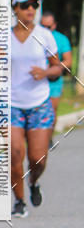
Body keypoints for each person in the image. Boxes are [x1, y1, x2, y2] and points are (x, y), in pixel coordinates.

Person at [9, 0, 62, 217]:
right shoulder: (2, 35)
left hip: (39, 102)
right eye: (25, 4)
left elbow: (59, 67)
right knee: (14, 153)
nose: (31, 9)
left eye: (34, 5)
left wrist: (46, 71)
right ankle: (19, 201)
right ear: (15, 9)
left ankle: (33, 181)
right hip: (10, 104)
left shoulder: (45, 35)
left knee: (37, 159)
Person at [40, 10, 72, 140]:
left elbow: (68, 61)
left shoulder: (61, 39)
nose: (46, 29)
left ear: (54, 25)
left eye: (49, 27)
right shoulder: (35, 37)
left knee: (52, 112)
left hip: (54, 80)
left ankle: (48, 138)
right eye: (43, 26)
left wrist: (55, 69)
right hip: (38, 80)